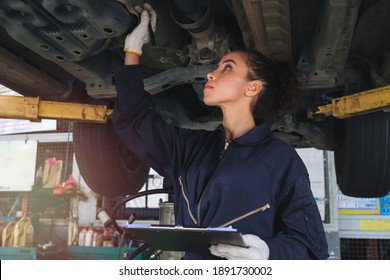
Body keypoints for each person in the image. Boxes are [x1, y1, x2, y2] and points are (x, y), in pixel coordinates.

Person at [113, 3, 329, 260]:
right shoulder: (189, 149)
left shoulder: (281, 161)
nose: (210, 74)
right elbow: (133, 119)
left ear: (253, 88)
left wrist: (268, 254)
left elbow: (311, 249)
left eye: (227, 67)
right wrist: (133, 48)